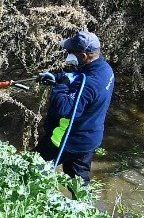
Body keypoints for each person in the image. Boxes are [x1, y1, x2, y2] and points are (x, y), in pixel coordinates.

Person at [35, 30, 115, 187]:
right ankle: (84, 209)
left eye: (71, 52)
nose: (69, 54)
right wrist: (56, 77)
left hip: (65, 141)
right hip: (88, 141)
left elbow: (63, 109)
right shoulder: (104, 69)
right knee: (79, 184)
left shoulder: (89, 84)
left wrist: (61, 85)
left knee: (29, 169)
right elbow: (78, 77)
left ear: (84, 56)